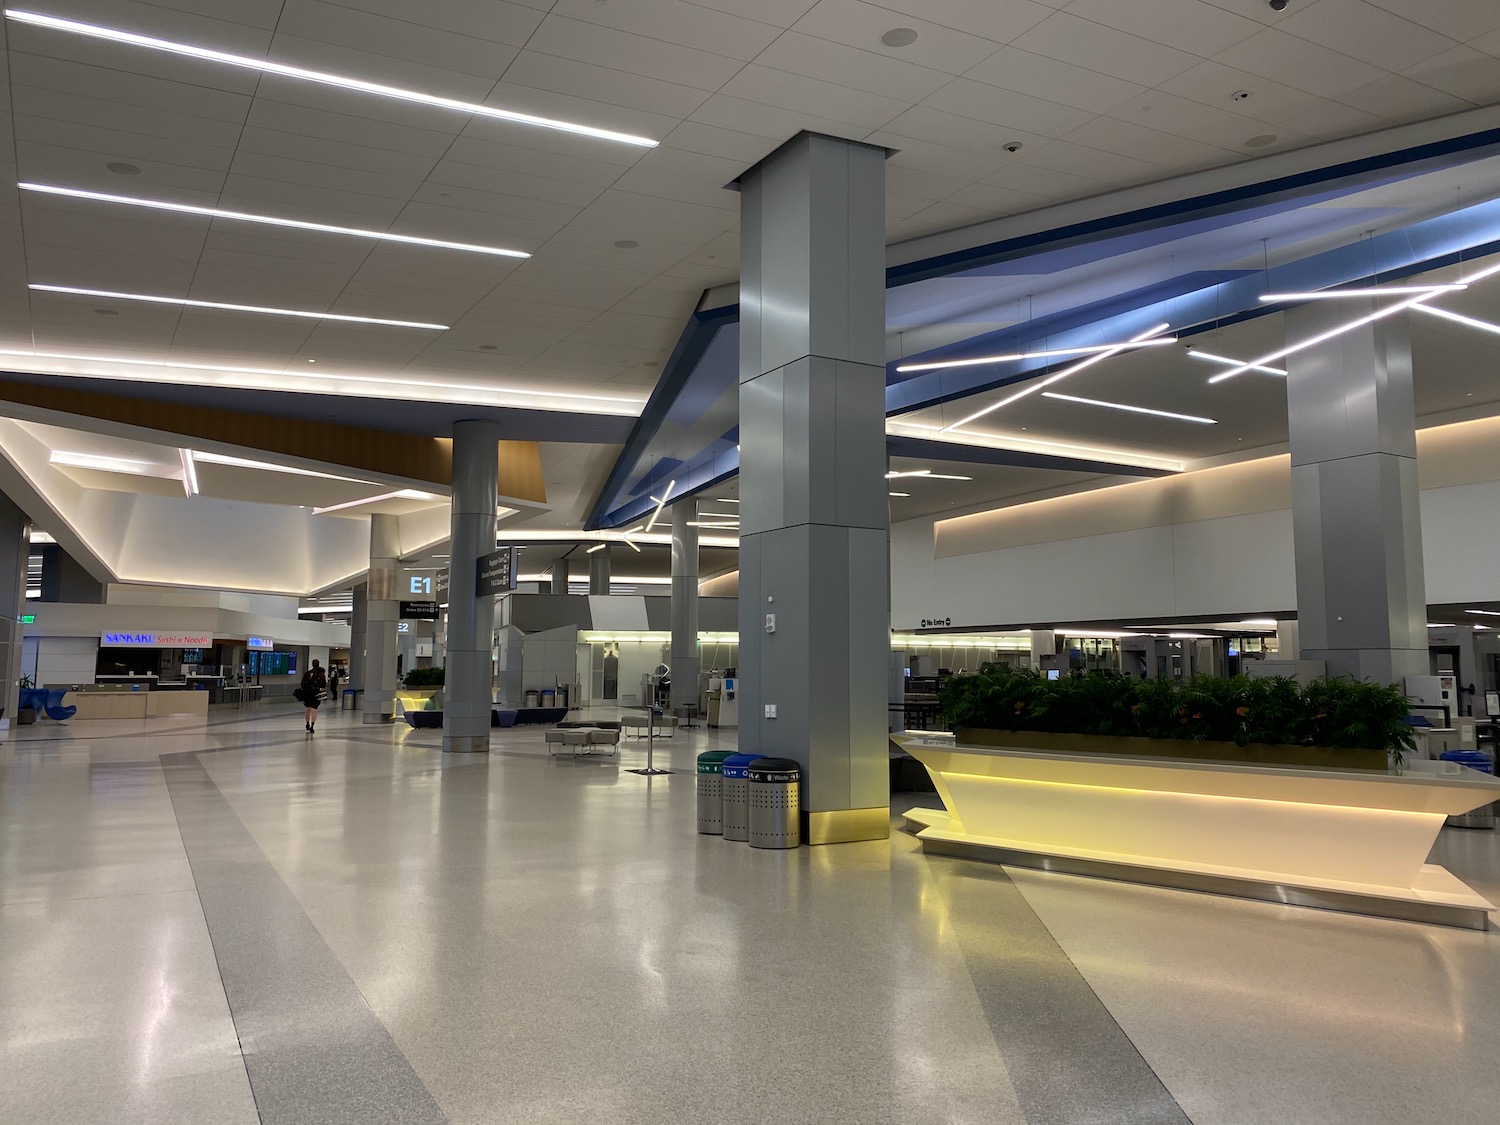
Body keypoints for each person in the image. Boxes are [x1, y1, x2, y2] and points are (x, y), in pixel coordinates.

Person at [300, 659, 328, 734]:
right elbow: (323, 684)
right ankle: (312, 726)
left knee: (308, 708)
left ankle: (307, 724)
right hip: (316, 692)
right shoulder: (321, 674)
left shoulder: (308, 673)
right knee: (314, 709)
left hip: (307, 693)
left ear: (312, 664)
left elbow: (302, 683)